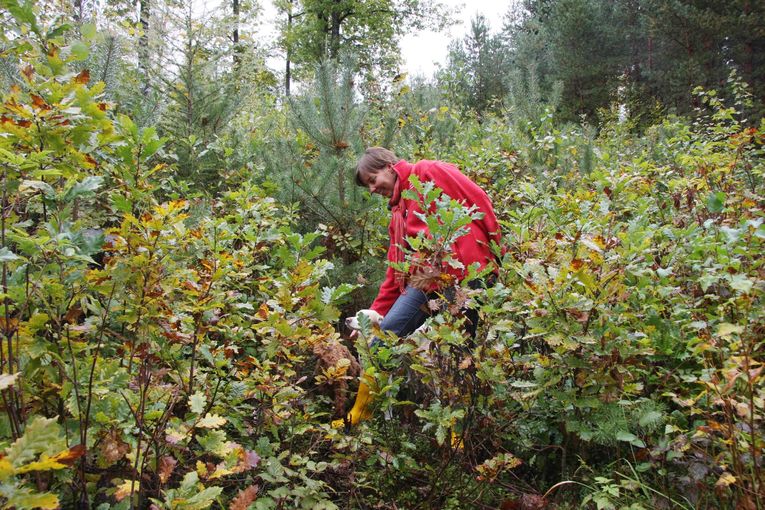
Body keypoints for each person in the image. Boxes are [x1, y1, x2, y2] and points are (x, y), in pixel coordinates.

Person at [332, 147, 502, 430]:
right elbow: (395, 273)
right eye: (369, 186)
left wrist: (496, 252)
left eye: (373, 180)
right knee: (380, 342)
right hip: (426, 281)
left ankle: (457, 433)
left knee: (459, 354)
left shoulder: (428, 171)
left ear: (389, 166)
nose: (373, 189)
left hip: (469, 277)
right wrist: (372, 314)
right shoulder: (398, 215)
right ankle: (362, 412)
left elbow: (480, 200)